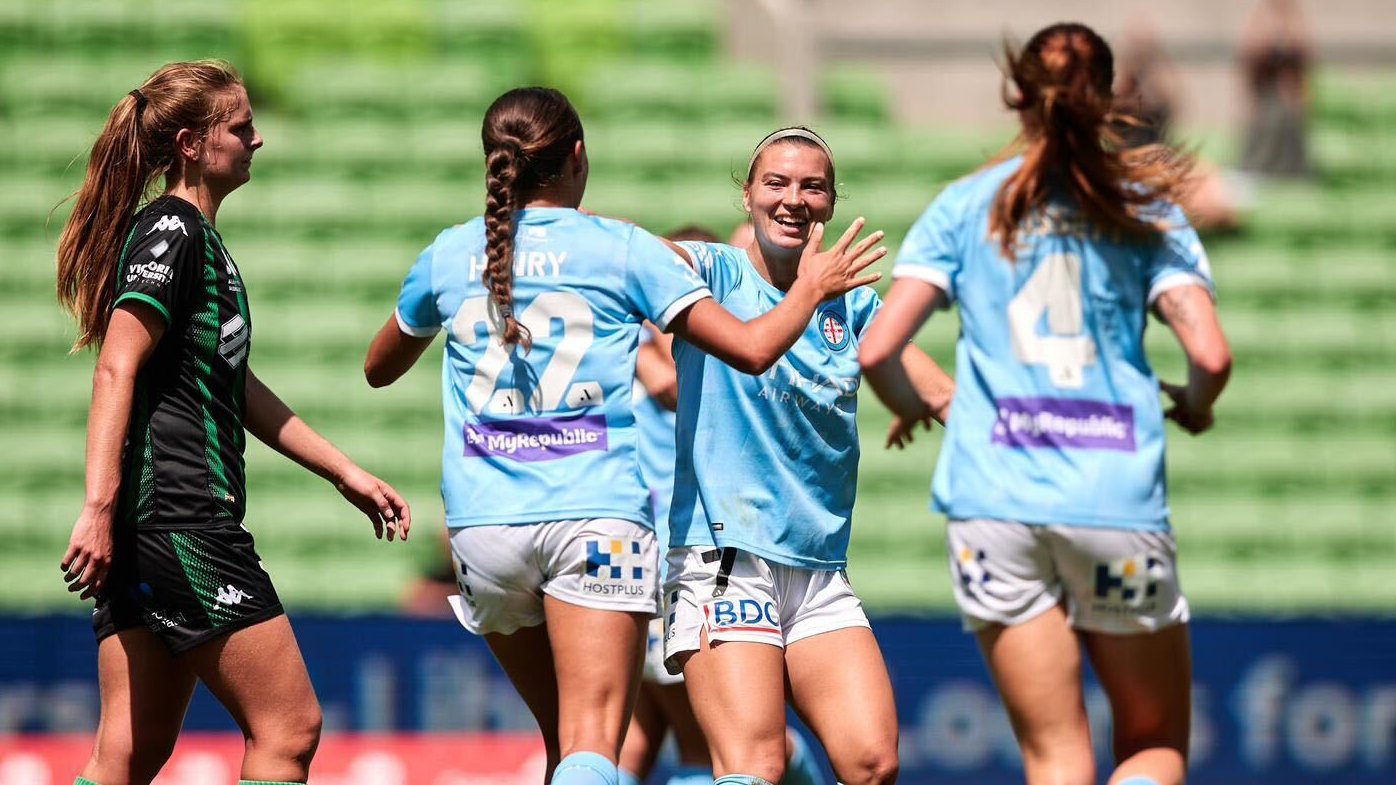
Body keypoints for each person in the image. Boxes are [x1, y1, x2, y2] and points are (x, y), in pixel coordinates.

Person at [362, 88, 883, 785]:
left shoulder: (453, 251)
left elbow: (378, 367)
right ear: (578, 156)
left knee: (566, 744)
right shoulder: (619, 250)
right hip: (595, 522)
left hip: (482, 528)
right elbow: (753, 348)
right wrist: (808, 292)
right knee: (595, 749)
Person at [858, 23, 1232, 785]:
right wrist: (1194, 404)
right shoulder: (1145, 207)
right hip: (1113, 505)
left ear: (1017, 95)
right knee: (1152, 743)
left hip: (994, 506)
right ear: (1112, 97)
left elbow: (877, 349)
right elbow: (1211, 355)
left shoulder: (965, 207)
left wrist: (910, 401)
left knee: (1055, 756)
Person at [54, 60, 411, 785]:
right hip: (182, 520)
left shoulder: (197, 242)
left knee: (129, 750)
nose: (257, 139)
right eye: (241, 127)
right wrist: (94, 508)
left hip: (147, 530)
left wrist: (343, 470)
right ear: (190, 143)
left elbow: (235, 385)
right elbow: (115, 366)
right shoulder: (173, 232)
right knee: (289, 726)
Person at [661, 127, 954, 785]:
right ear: (747, 195)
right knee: (753, 764)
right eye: (777, 182)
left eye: (811, 185)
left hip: (817, 568)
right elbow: (629, 254)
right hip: (725, 557)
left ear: (830, 200)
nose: (794, 199)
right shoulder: (712, 272)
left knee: (872, 761)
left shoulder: (850, 305)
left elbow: (940, 392)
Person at [619, 226, 828, 785]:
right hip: (636, 570)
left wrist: (638, 349)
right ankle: (794, 764)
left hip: (691, 568)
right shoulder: (640, 367)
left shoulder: (711, 366)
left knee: (699, 743)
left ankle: (795, 766)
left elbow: (671, 387)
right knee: (629, 746)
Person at [1240, 0, 1313, 178]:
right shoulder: (1259, 23)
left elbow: (1303, 56)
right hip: (1268, 96)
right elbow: (1251, 56)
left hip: (1286, 98)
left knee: (1288, 134)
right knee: (1267, 135)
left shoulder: (1293, 24)